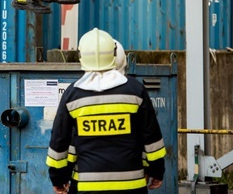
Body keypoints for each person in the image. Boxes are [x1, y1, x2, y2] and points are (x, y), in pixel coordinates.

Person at [46, 28, 165, 193]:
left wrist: (58, 178)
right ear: (114, 53)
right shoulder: (136, 91)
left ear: (81, 56)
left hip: (86, 187)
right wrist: (156, 171)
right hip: (131, 186)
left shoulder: (72, 95)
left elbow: (60, 143)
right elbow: (152, 139)